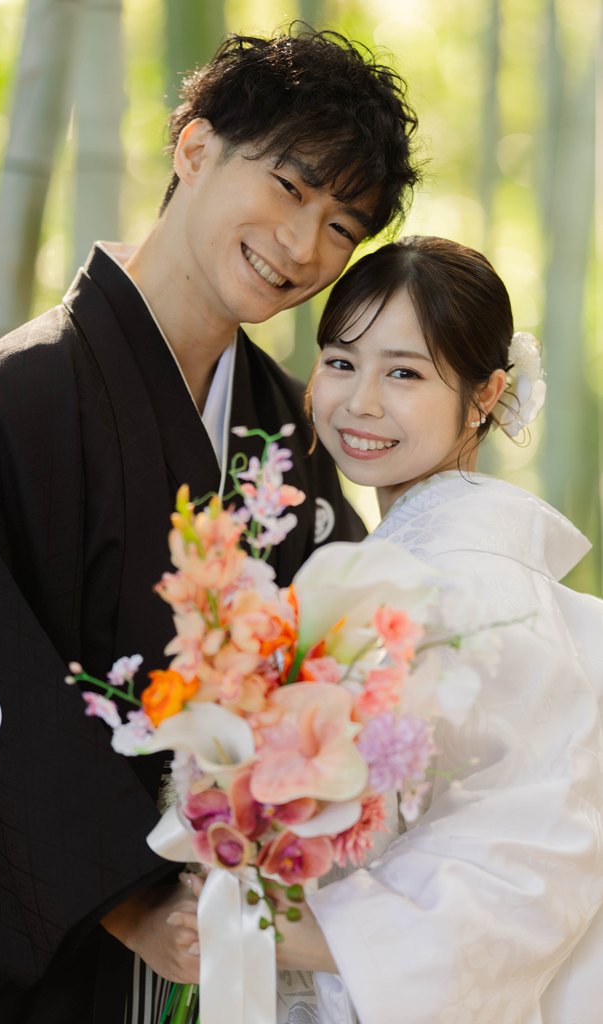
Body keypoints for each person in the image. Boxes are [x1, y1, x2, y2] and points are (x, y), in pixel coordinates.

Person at [0, 25, 420, 1024]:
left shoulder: (285, 428)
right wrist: (131, 901)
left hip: (230, 936)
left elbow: (349, 671)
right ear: (193, 149)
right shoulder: (21, 398)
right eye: (287, 186)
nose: (302, 247)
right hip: (49, 963)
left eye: (340, 225)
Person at [171, 236, 603, 1022]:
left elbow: (538, 861)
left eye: (403, 373)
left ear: (484, 393)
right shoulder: (398, 566)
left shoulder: (473, 584)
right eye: (341, 362)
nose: (359, 402)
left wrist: (293, 929)